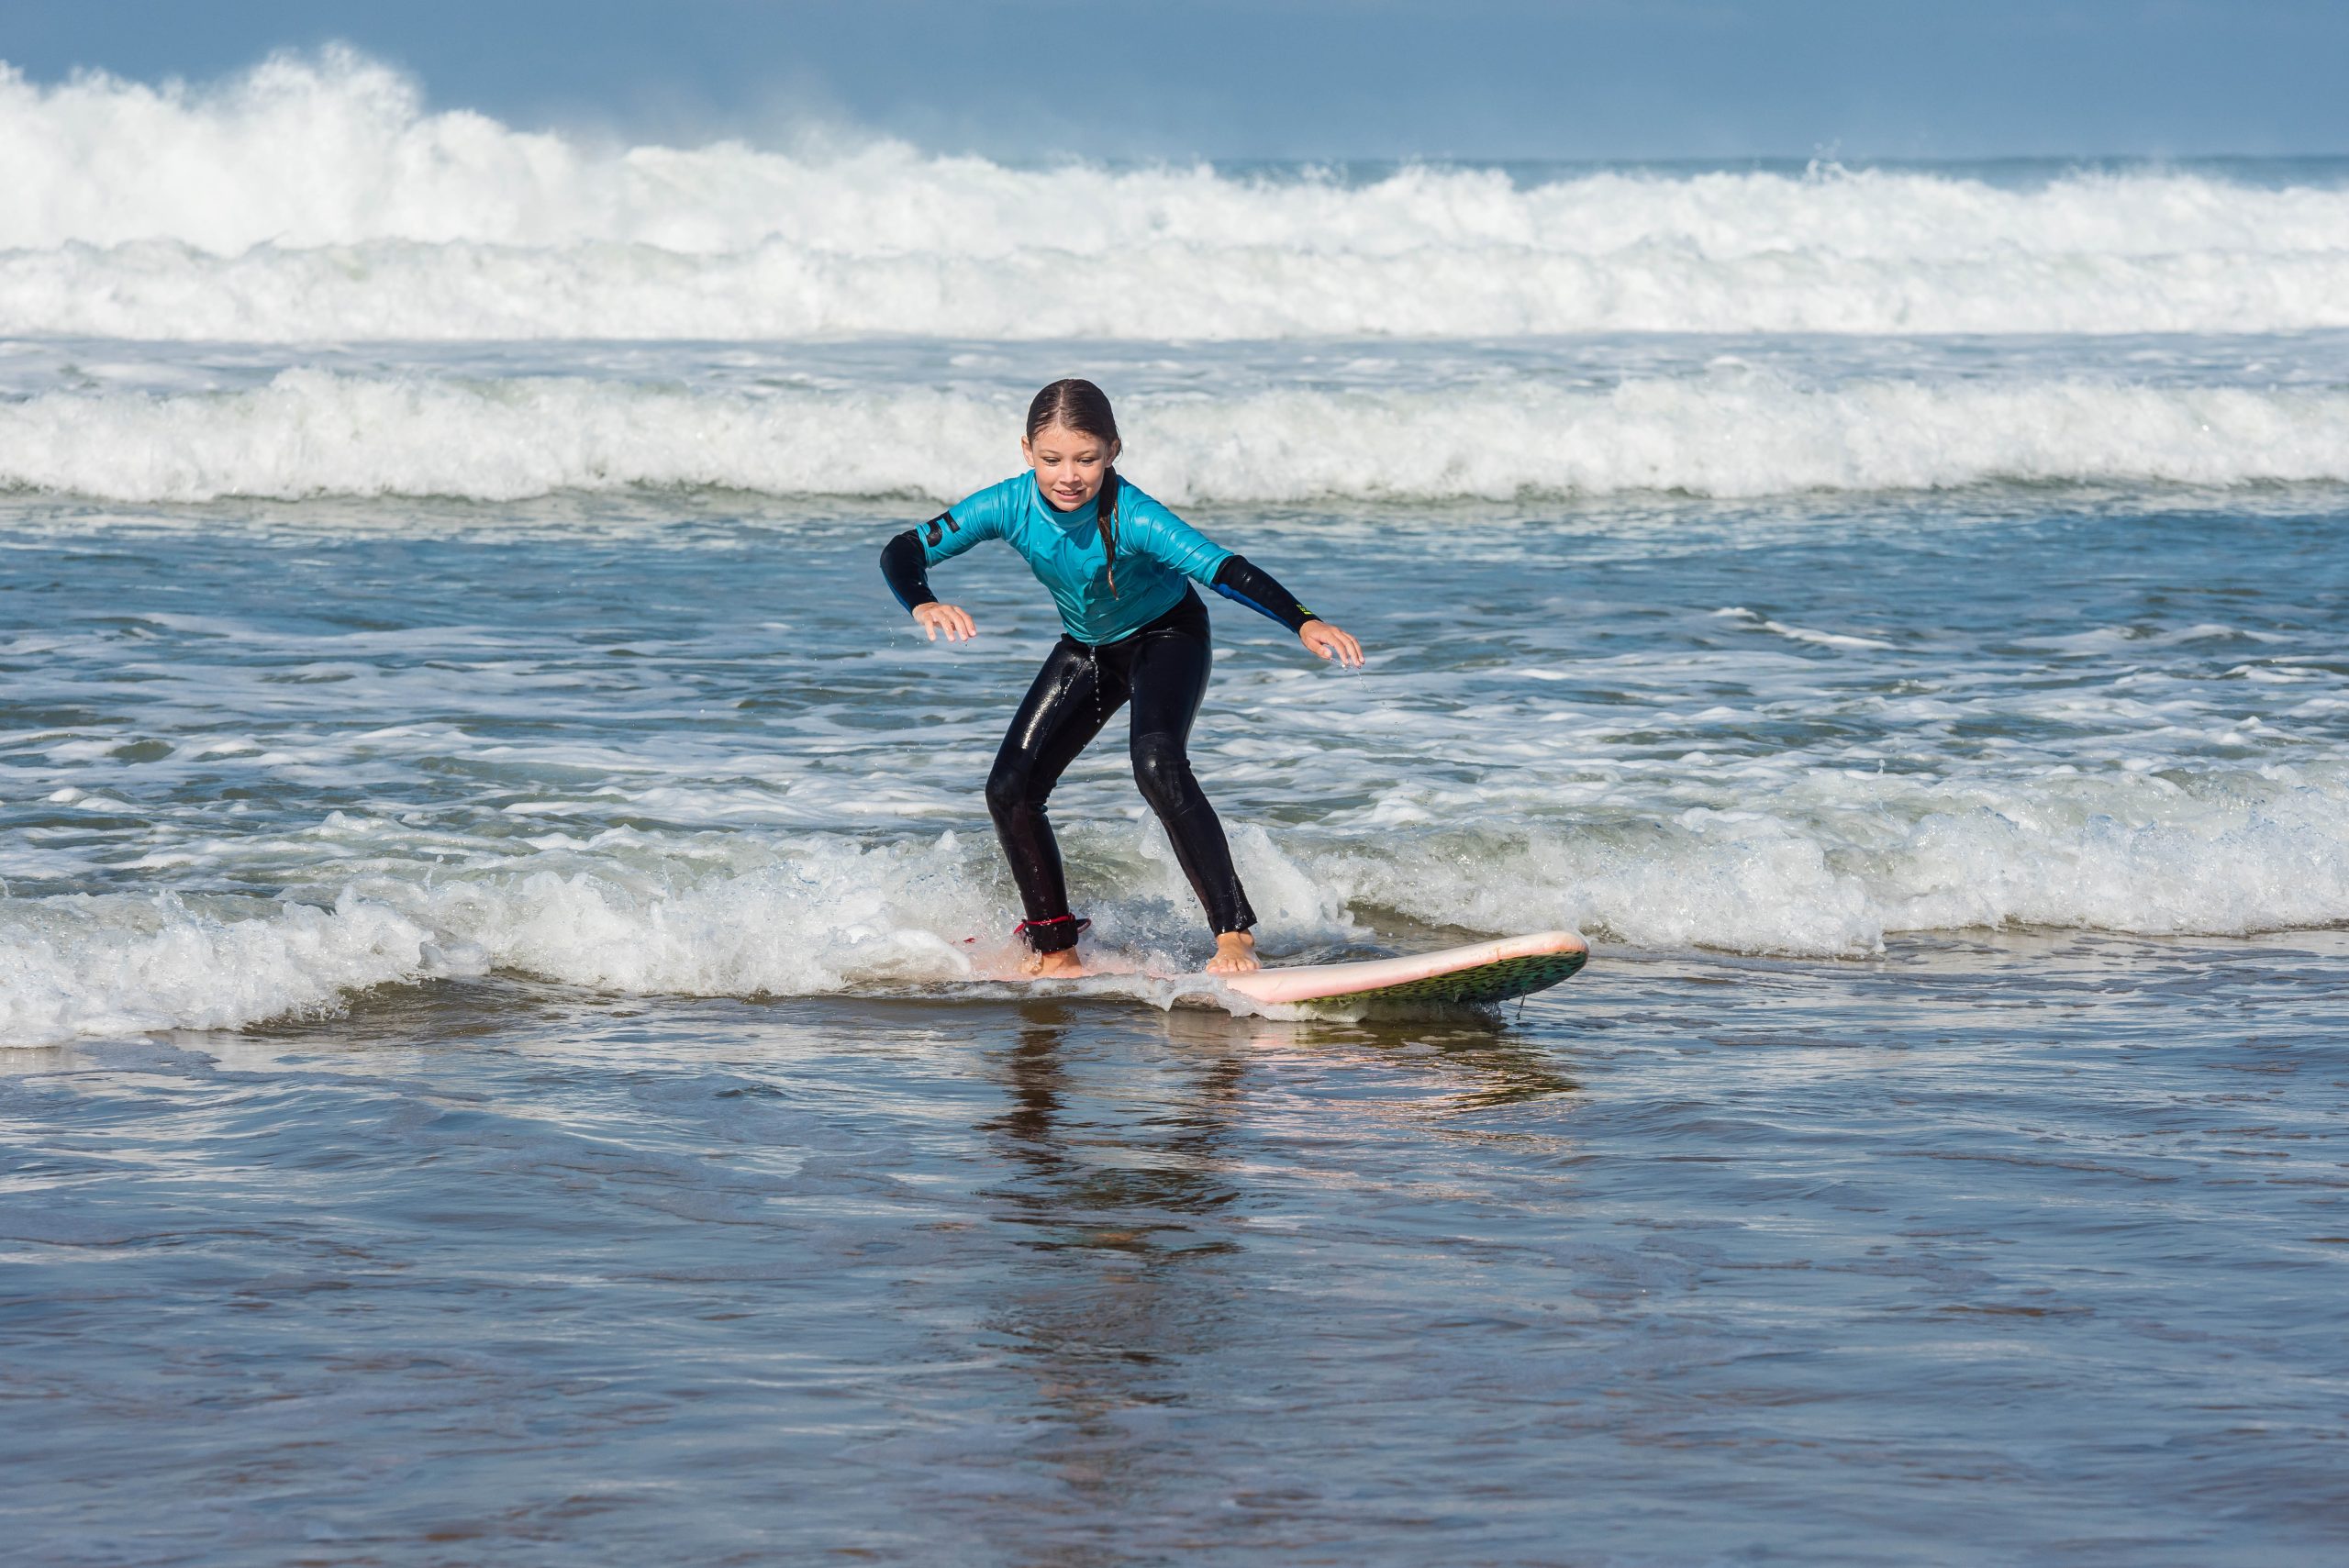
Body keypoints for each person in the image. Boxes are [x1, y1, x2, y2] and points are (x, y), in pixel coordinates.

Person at [880, 378, 1364, 978]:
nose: (1069, 476)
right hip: (1088, 648)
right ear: (1026, 450)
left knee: (1157, 763)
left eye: (1086, 459)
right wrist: (922, 603)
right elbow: (903, 550)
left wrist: (1302, 621)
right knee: (1010, 789)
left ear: (1113, 451)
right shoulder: (1006, 504)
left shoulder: (1134, 514)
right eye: (1052, 459)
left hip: (1167, 637)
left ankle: (1234, 932)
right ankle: (1057, 950)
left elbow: (1221, 568)